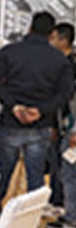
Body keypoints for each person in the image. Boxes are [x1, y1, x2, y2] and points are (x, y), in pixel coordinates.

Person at [0, 12, 73, 219]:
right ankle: (30, 217)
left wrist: (13, 105)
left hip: (10, 122)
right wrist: (41, 110)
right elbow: (65, 93)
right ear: (52, 34)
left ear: (30, 28)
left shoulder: (9, 52)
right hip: (41, 124)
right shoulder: (60, 60)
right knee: (35, 174)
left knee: (3, 170)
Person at [45, 23, 76, 215]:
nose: (50, 42)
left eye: (53, 38)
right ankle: (58, 202)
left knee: (67, 168)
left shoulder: (70, 66)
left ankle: (66, 210)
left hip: (69, 124)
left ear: (63, 40)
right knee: (59, 163)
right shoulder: (62, 63)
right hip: (61, 122)